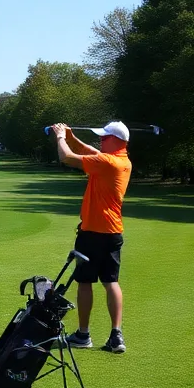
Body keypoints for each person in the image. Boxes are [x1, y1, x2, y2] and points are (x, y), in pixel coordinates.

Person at [51, 121, 131, 353]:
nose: (101, 140)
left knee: (85, 281)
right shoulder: (121, 160)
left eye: (105, 138)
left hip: (93, 232)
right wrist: (71, 135)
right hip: (113, 231)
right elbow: (89, 151)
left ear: (116, 141)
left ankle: (83, 335)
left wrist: (60, 137)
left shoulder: (107, 162)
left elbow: (67, 157)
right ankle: (116, 336)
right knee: (110, 281)